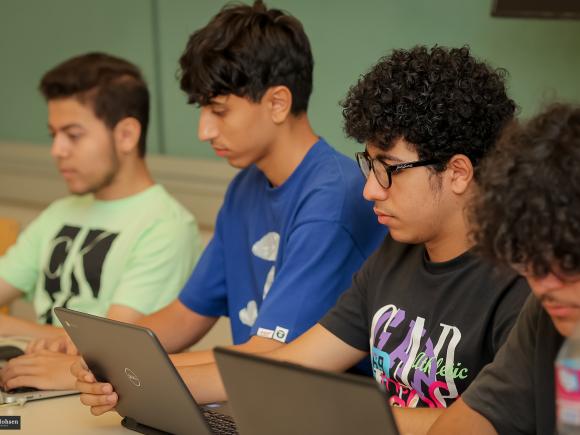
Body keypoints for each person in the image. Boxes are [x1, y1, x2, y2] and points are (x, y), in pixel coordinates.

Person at [74, 45, 530, 430]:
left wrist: (334, 415)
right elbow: (293, 364)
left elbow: (486, 425)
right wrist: (136, 379)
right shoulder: (394, 256)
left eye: (389, 169)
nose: (371, 188)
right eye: (369, 166)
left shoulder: (522, 284)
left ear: (457, 172)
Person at [70, 0, 384, 406]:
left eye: (219, 110)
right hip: (254, 398)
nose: (204, 129)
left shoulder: (335, 195)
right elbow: (185, 314)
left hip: (319, 408)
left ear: (277, 103)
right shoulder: (245, 187)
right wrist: (100, 360)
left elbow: (271, 355)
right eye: (203, 110)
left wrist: (122, 375)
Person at [0, 52, 201, 390]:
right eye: (54, 135)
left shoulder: (166, 226)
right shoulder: (60, 211)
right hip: (36, 378)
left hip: (91, 393)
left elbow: (109, 349)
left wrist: (8, 326)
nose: (57, 150)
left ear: (126, 135)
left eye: (73, 135)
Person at [428, 103, 580, 435]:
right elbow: (467, 423)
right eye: (528, 258)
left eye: (568, 260)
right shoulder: (544, 314)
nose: (543, 285)